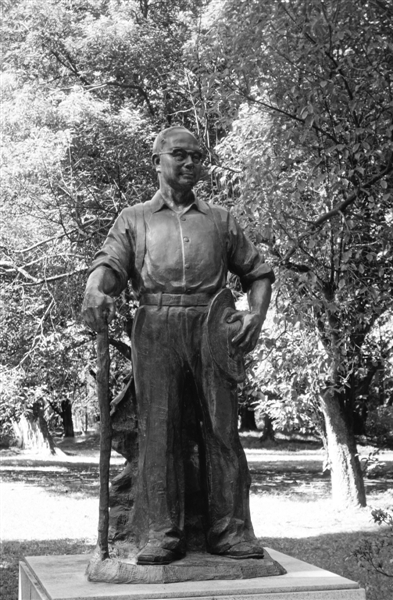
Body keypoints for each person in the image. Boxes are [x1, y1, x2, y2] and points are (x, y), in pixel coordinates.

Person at [82, 125, 275, 566]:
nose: (190, 163)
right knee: (159, 429)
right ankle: (160, 532)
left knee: (222, 430)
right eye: (180, 155)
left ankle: (230, 530)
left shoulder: (220, 219)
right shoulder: (134, 218)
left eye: (197, 156)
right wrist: (95, 287)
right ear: (157, 161)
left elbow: (258, 273)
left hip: (213, 326)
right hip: (155, 326)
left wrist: (256, 315)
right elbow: (109, 265)